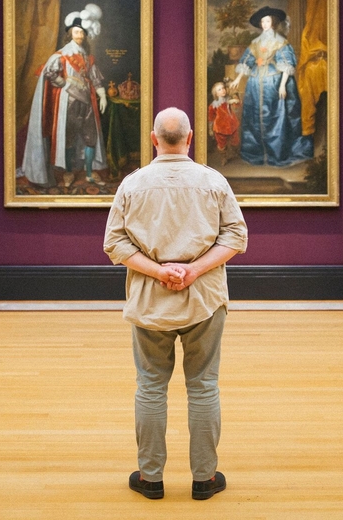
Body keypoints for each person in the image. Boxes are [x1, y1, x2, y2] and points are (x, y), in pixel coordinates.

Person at [103, 107, 247, 501]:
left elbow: (113, 244)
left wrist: (158, 271)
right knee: (203, 387)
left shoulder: (133, 185)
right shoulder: (212, 181)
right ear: (190, 138)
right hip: (204, 300)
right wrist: (195, 270)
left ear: (154, 139)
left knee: (150, 387)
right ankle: (204, 478)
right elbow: (237, 236)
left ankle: (151, 479)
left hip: (151, 301)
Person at [21, 14, 108, 187]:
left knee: (90, 137)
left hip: (87, 103)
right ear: (70, 34)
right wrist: (65, 83)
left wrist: (103, 95)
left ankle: (90, 173)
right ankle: (68, 172)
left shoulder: (88, 58)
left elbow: (95, 79)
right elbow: (50, 73)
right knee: (69, 138)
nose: (80, 36)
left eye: (82, 33)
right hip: (68, 102)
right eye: (76, 32)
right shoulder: (62, 56)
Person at [229, 6, 313, 166]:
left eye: (267, 20)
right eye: (262, 21)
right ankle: (256, 153)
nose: (265, 24)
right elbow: (247, 60)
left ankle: (277, 154)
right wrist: (238, 78)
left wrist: (282, 85)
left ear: (273, 22)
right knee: (254, 117)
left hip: (274, 82)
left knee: (277, 116)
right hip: (255, 82)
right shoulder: (255, 43)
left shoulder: (280, 42)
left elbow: (287, 64)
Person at [208, 80, 240, 165]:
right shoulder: (213, 105)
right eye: (219, 89)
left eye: (223, 88)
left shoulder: (229, 99)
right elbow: (211, 118)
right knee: (221, 144)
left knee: (235, 141)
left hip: (232, 125)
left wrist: (235, 98)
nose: (223, 90)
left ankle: (235, 152)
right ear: (215, 94)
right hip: (220, 128)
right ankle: (224, 157)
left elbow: (237, 106)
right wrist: (210, 129)